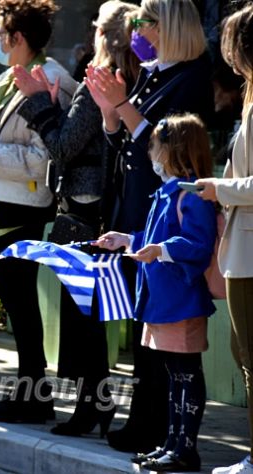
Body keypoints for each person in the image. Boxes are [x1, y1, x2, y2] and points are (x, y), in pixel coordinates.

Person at [85, 0, 214, 453]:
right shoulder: (157, 71)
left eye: (146, 22)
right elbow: (127, 140)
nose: (138, 30)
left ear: (170, 26)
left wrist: (122, 104)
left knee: (166, 337)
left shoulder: (191, 75)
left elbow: (164, 143)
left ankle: (162, 429)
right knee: (146, 323)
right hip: (138, 203)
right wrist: (108, 109)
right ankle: (148, 423)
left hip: (161, 210)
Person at [12, 0, 139, 437]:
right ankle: (94, 409)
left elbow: (65, 146)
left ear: (105, 35)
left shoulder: (98, 81)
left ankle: (92, 409)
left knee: (83, 320)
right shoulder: (135, 76)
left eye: (96, 27)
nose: (90, 33)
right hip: (107, 210)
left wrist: (36, 105)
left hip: (84, 210)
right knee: (92, 319)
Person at [0, 0, 78, 424]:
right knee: (15, 300)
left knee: (22, 303)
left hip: (25, 204)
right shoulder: (7, 80)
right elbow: (2, 146)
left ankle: (34, 395)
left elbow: (46, 155)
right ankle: (31, 391)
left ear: (18, 39)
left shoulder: (53, 81)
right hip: (1, 201)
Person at [96, 114, 217, 472]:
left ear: (173, 149)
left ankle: (185, 448)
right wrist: (127, 240)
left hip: (180, 301)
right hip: (162, 301)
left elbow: (197, 244)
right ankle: (172, 443)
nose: (150, 150)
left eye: (155, 144)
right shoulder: (166, 192)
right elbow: (153, 239)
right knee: (173, 376)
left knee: (185, 374)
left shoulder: (192, 194)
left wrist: (160, 250)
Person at [199, 5, 253, 473]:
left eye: (231, 43)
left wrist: (220, 189)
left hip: (251, 254)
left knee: (250, 357)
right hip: (243, 250)